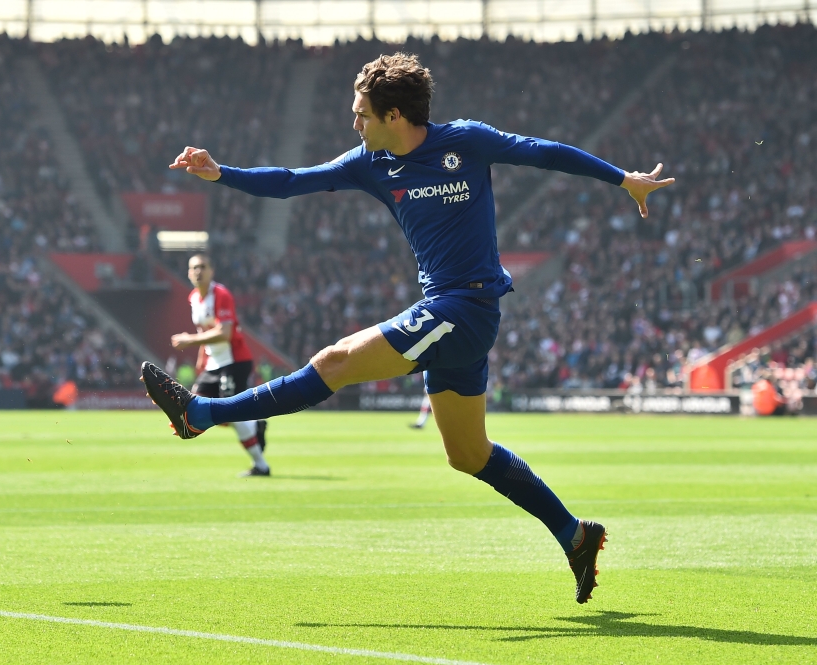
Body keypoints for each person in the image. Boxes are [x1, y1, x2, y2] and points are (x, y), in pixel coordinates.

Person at [142, 52, 673, 603]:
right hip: (450, 315)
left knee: (335, 362)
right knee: (467, 454)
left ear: (395, 115)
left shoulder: (466, 140)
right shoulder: (371, 163)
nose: (355, 124)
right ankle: (575, 535)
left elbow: (544, 152)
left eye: (362, 115)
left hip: (463, 308)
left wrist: (622, 179)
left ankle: (200, 414)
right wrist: (220, 172)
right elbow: (291, 182)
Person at [169, 253, 270, 477]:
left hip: (234, 362)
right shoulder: (194, 297)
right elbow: (203, 332)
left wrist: (190, 340)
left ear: (211, 271)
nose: (198, 271)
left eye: (203, 267)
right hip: (213, 364)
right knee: (196, 410)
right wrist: (200, 359)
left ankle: (261, 466)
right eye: (194, 268)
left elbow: (225, 334)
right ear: (188, 273)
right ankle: (255, 425)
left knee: (231, 414)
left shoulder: (221, 295)